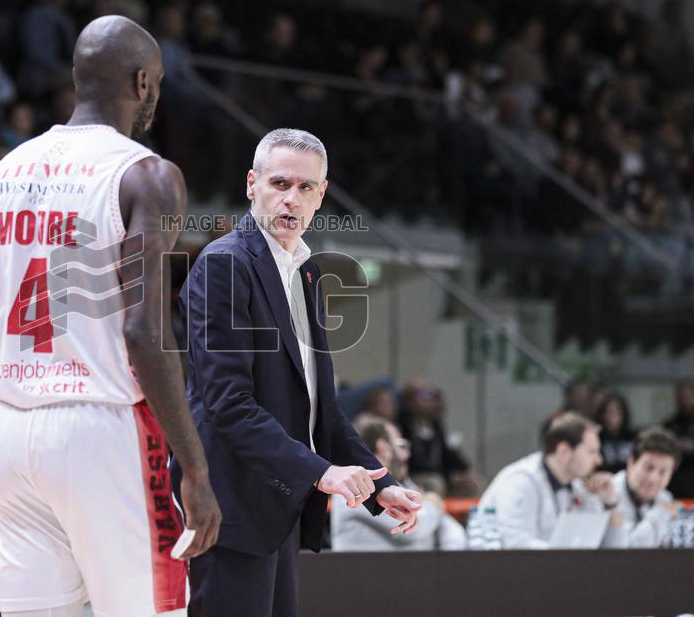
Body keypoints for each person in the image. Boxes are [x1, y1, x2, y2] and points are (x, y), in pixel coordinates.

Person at [0, 15, 220, 617]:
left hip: (10, 431)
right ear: (143, 82)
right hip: (104, 428)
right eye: (156, 84)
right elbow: (143, 332)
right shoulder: (146, 174)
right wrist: (195, 469)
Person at [174, 128, 421, 617]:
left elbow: (320, 410)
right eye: (280, 183)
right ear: (252, 184)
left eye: (306, 187)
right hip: (230, 510)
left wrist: (380, 486)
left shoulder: (306, 272)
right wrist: (321, 472)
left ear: (321, 195)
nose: (292, 199)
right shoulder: (223, 264)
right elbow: (228, 405)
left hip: (280, 505)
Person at [478, 411, 626, 549]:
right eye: (591, 452)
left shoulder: (578, 486)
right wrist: (570, 557)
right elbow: (516, 546)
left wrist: (610, 503)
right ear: (564, 451)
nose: (599, 460)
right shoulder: (520, 481)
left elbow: (613, 549)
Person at [332, 415, 465, 551]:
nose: (407, 454)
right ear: (382, 447)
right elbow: (412, 531)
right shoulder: (354, 487)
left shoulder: (402, 486)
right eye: (401, 445)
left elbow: (453, 533)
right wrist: (434, 504)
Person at [614, 426, 682, 548]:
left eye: (663, 472)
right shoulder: (609, 495)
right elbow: (627, 550)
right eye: (648, 468)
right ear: (631, 463)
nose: (653, 479)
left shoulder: (665, 498)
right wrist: (659, 514)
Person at [663, 380, 694, 498]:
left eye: (688, 397)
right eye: (681, 397)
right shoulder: (669, 424)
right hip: (676, 479)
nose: (685, 401)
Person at [596, 392, 634, 474]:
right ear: (602, 414)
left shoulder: (633, 438)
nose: (614, 416)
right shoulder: (596, 439)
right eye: (610, 412)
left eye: (618, 411)